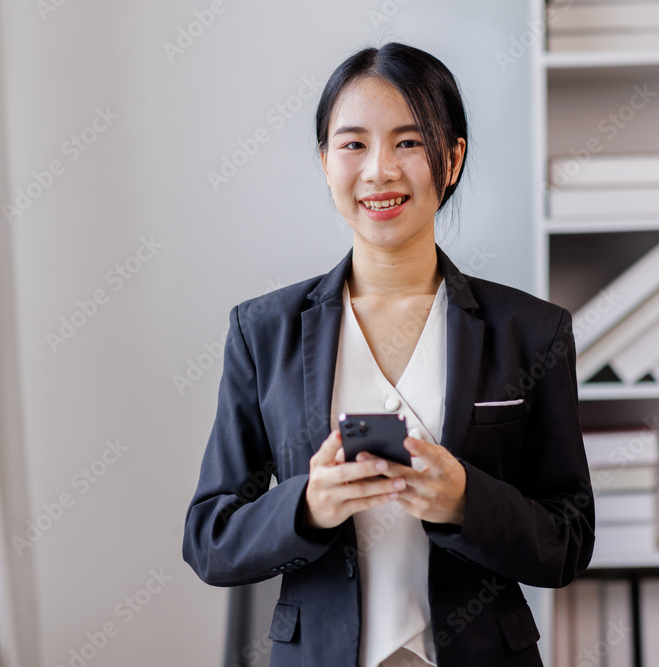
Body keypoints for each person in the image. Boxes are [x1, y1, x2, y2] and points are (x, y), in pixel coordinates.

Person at [183, 41, 594, 667]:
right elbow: (210, 541)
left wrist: (465, 500)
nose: (379, 170)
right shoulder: (263, 332)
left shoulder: (531, 332)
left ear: (451, 159)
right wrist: (308, 506)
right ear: (325, 162)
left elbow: (567, 542)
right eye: (353, 144)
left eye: (408, 142)